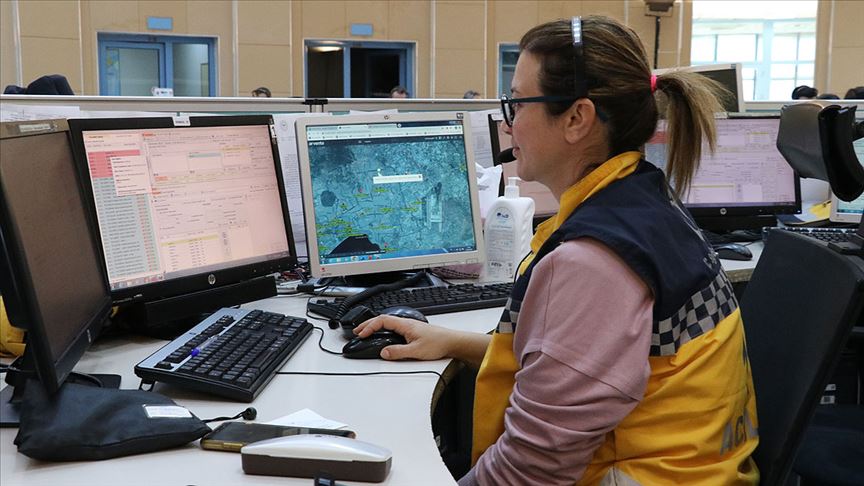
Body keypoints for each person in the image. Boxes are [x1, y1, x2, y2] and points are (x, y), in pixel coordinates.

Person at [355, 15, 759, 485]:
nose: (508, 126)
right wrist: (456, 343)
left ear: (576, 119)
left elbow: (532, 469)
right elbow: (590, 362)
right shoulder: (640, 203)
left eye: (516, 104)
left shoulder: (594, 259)